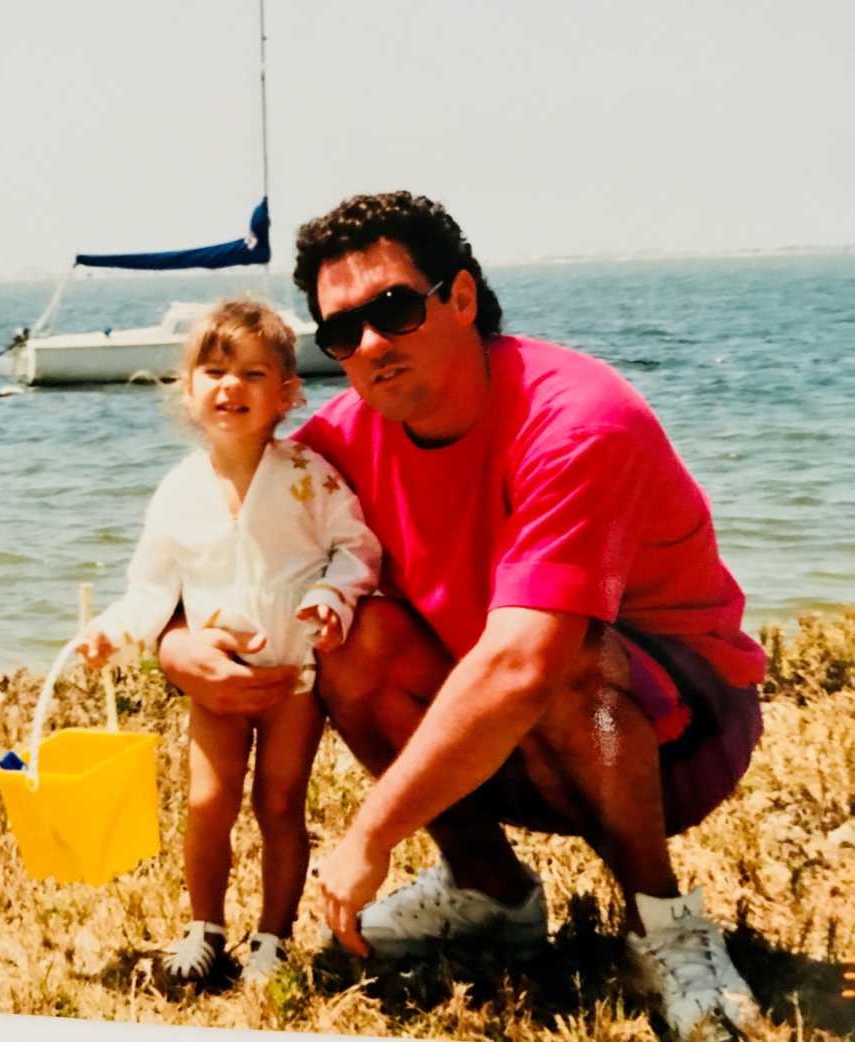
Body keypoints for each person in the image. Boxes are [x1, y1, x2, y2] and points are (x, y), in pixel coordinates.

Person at [160, 193, 765, 1037]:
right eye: (341, 332)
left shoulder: (579, 419)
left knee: (564, 655)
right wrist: (175, 640)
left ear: (463, 299)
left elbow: (526, 663)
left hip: (678, 733)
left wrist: (368, 838)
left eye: (395, 309)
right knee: (353, 639)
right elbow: (219, 536)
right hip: (509, 729)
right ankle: (491, 893)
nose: (369, 345)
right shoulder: (340, 442)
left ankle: (664, 923)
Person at [78, 297, 380, 984]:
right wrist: (114, 631)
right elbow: (152, 590)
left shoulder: (308, 476)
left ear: (287, 392)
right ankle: (204, 926)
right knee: (206, 804)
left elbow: (355, 548)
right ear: (188, 391)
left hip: (292, 679)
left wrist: (333, 596)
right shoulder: (180, 491)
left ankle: (272, 937)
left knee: (279, 804)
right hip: (216, 679)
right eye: (213, 370)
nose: (230, 386)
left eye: (251, 373)